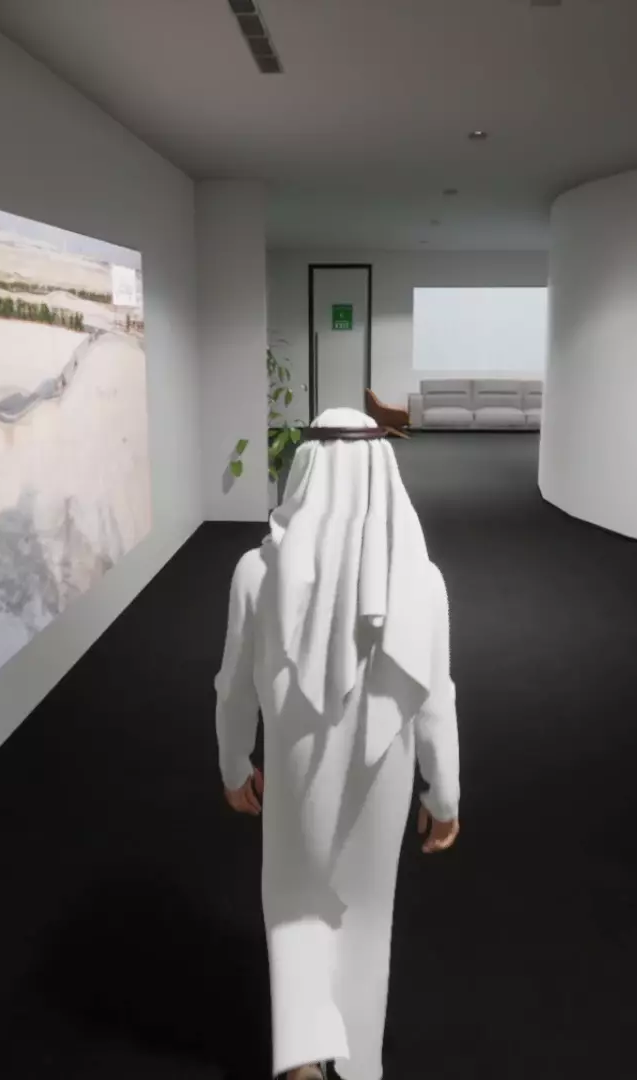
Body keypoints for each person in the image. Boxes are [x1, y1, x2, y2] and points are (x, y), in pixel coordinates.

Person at [214, 407, 462, 1080]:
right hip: (386, 772)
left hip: (293, 771)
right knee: (368, 908)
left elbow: (232, 687)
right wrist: (443, 794)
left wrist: (234, 763)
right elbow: (436, 697)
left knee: (295, 901)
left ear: (305, 469)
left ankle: (302, 1062)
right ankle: (356, 1062)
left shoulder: (254, 573)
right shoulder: (423, 582)